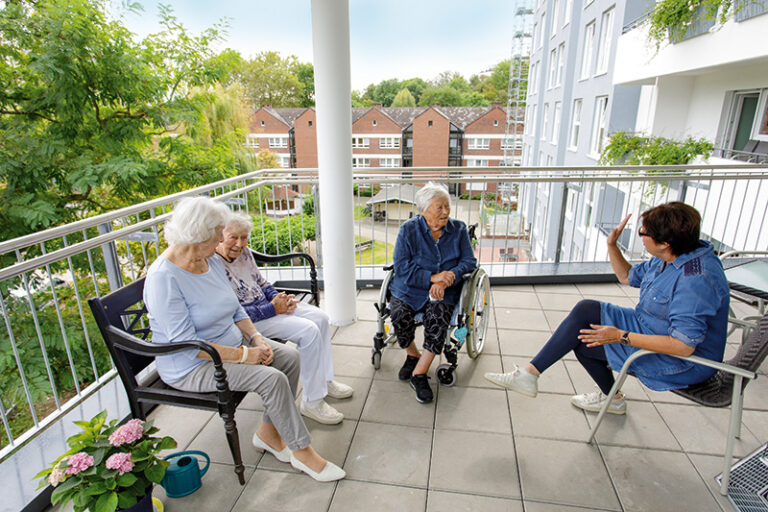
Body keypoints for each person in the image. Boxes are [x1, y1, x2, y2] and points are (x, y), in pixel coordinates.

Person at [143, 196, 344, 482]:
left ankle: (268, 434)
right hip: (191, 365)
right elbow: (187, 344)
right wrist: (244, 355)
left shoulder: (208, 261)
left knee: (288, 358)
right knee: (270, 378)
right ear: (198, 234)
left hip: (233, 342)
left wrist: (257, 337)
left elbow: (235, 308)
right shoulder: (164, 278)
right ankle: (303, 453)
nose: (221, 242)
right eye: (218, 234)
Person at [485, 202, 730, 414]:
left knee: (585, 343)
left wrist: (620, 336)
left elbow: (683, 346)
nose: (640, 235)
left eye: (643, 233)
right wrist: (612, 245)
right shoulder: (672, 254)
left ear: (664, 243)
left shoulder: (695, 280)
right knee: (586, 310)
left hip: (681, 362)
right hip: (651, 327)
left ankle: (611, 399)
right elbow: (628, 276)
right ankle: (530, 374)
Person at [214, 212, 354, 425]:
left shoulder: (245, 253)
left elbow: (261, 283)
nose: (240, 243)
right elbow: (235, 314)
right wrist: (273, 309)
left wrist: (279, 298)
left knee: (320, 318)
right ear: (220, 235)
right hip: (252, 322)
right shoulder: (213, 265)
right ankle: (312, 401)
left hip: (269, 307)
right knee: (309, 331)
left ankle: (324, 380)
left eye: (244, 237)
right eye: (234, 237)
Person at [389, 182, 477, 403]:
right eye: (439, 207)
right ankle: (412, 354)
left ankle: (419, 373)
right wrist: (432, 277)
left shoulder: (458, 229)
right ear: (423, 210)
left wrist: (448, 277)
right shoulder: (408, 230)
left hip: (443, 290)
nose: (446, 211)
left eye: (447, 206)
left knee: (438, 319)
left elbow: (469, 261)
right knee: (399, 315)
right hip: (410, 288)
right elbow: (401, 266)